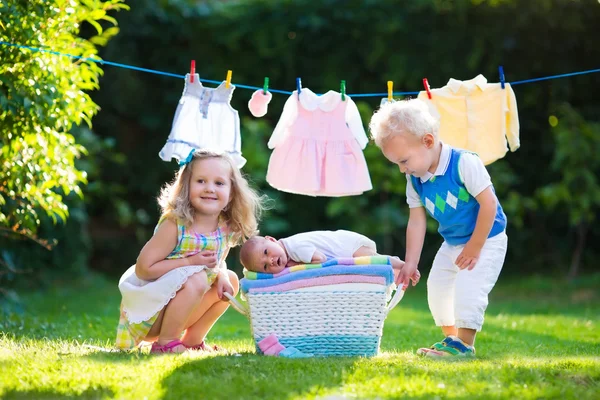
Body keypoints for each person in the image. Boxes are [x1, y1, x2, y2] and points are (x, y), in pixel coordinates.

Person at [369, 99, 508, 358]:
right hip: (454, 241)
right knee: (438, 286)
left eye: (404, 161)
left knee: (469, 287)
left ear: (428, 142)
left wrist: (475, 247)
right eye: (397, 164)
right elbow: (417, 220)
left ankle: (465, 345)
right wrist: (411, 262)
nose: (402, 169)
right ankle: (451, 340)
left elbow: (489, 205)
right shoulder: (415, 178)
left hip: (487, 238)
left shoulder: (464, 163)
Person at [116, 149, 265, 353]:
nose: (209, 189)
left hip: (178, 308)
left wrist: (220, 274)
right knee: (197, 279)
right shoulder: (175, 225)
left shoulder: (225, 227)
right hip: (150, 313)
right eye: (201, 181)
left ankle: (192, 342)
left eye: (219, 183)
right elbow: (143, 269)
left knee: (230, 280)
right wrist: (189, 262)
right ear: (186, 187)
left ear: (232, 194)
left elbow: (215, 262)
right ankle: (165, 344)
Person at [239, 230, 420, 287]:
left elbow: (320, 259)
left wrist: (296, 265)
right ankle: (396, 273)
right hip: (344, 244)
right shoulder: (287, 249)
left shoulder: (294, 248)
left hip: (349, 246)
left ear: (271, 240)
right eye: (264, 267)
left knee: (373, 260)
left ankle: (400, 263)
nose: (270, 261)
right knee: (370, 270)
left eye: (266, 253)